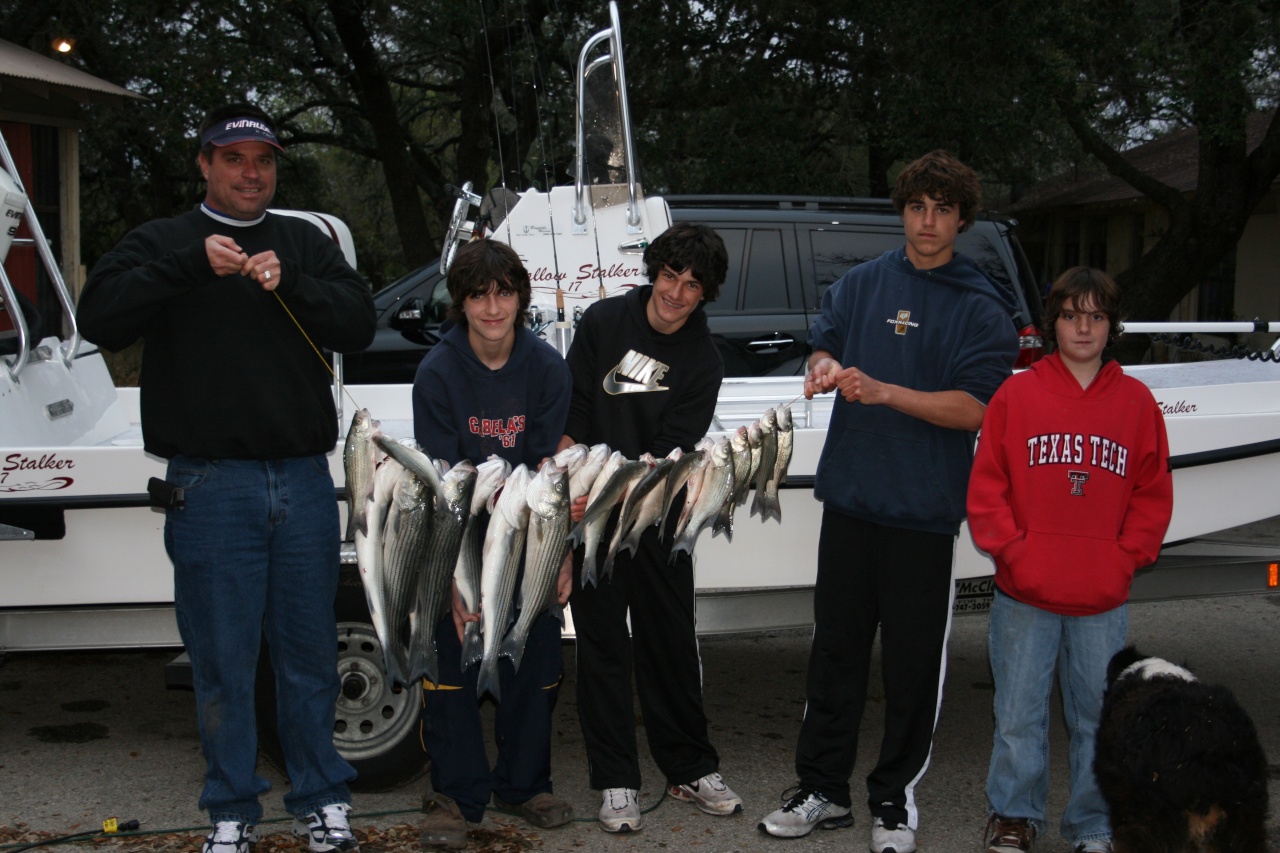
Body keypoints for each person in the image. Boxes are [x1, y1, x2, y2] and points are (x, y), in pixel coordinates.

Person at [76, 103, 375, 853]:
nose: (252, 172)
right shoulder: (164, 241)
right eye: (234, 158)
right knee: (222, 663)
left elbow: (359, 323)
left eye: (264, 159)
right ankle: (232, 812)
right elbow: (98, 318)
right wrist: (188, 266)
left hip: (303, 483)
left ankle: (322, 800)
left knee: (309, 656)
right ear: (204, 164)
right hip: (209, 487)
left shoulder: (302, 240)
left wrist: (294, 284)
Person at [758, 150, 1019, 853]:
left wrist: (883, 391)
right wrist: (820, 367)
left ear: (961, 218)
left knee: (911, 666)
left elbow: (975, 409)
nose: (927, 221)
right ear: (902, 211)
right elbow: (827, 346)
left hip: (922, 516)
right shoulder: (861, 284)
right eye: (916, 206)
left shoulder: (980, 304)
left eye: (942, 208)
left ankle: (894, 800)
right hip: (849, 503)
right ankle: (821, 789)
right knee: (833, 655)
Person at [968, 267, 1173, 853]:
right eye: (1071, 315)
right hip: (1024, 593)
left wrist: (1124, 558)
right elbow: (987, 486)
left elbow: (1151, 493)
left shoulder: (1135, 403)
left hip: (1101, 598)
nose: (1083, 327)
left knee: (1097, 717)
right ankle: (1013, 814)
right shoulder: (1017, 393)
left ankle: (1093, 824)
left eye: (1097, 316)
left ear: (1112, 326)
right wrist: (1014, 551)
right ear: (1053, 322)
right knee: (1016, 715)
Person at [557, 221, 743, 833]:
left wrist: (625, 492)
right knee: (604, 647)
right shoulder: (603, 323)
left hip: (659, 512)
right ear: (653, 272)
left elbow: (672, 449)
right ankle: (616, 781)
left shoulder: (703, 360)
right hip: (592, 512)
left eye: (693, 285)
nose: (677, 293)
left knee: (670, 643)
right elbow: (576, 409)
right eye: (670, 277)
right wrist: (567, 487)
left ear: (705, 293)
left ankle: (690, 766)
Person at [411, 238, 574, 849]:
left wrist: (560, 551)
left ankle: (526, 784)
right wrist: (456, 579)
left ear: (520, 297)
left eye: (503, 292)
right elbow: (447, 487)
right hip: (461, 530)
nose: (492, 306)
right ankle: (454, 794)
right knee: (453, 660)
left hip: (528, 528)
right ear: (460, 301)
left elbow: (549, 475)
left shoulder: (547, 368)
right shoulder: (438, 372)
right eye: (478, 294)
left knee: (534, 657)